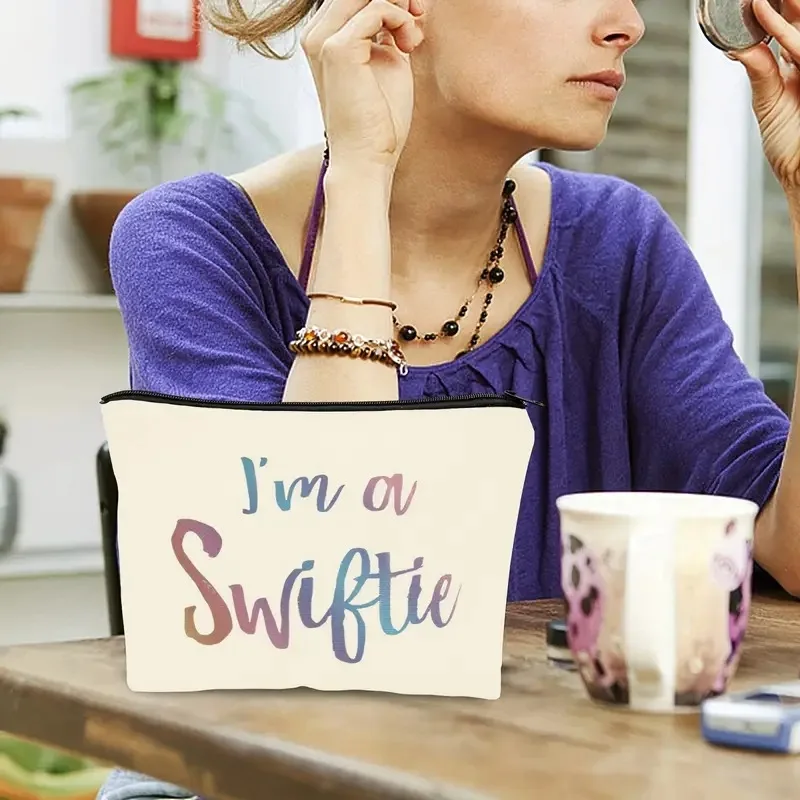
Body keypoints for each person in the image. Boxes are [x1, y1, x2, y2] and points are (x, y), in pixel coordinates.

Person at [98, 0, 800, 796]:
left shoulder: (619, 244)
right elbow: (324, 608)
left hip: (523, 772)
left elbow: (793, 547)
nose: (628, 23)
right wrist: (360, 176)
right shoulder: (190, 240)